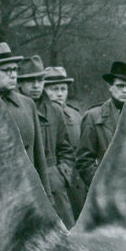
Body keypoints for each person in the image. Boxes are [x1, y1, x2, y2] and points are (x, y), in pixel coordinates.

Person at [0, 42, 49, 189]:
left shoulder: (28, 104)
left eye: (15, 69)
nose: (14, 74)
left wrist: (46, 196)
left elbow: (39, 157)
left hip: (27, 191)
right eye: (7, 70)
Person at [18, 56, 76, 227]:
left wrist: (61, 175)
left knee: (64, 234)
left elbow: (65, 149)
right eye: (30, 81)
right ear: (19, 83)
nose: (36, 86)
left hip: (54, 185)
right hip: (25, 183)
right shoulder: (14, 109)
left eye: (40, 80)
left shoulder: (55, 110)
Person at [76, 61, 126, 187]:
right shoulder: (94, 117)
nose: (125, 90)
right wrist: (102, 185)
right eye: (120, 86)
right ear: (110, 87)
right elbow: (84, 161)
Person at [44, 66, 88, 219]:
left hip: (77, 184)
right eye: (53, 89)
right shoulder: (41, 117)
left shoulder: (75, 115)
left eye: (63, 89)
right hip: (56, 184)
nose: (59, 93)